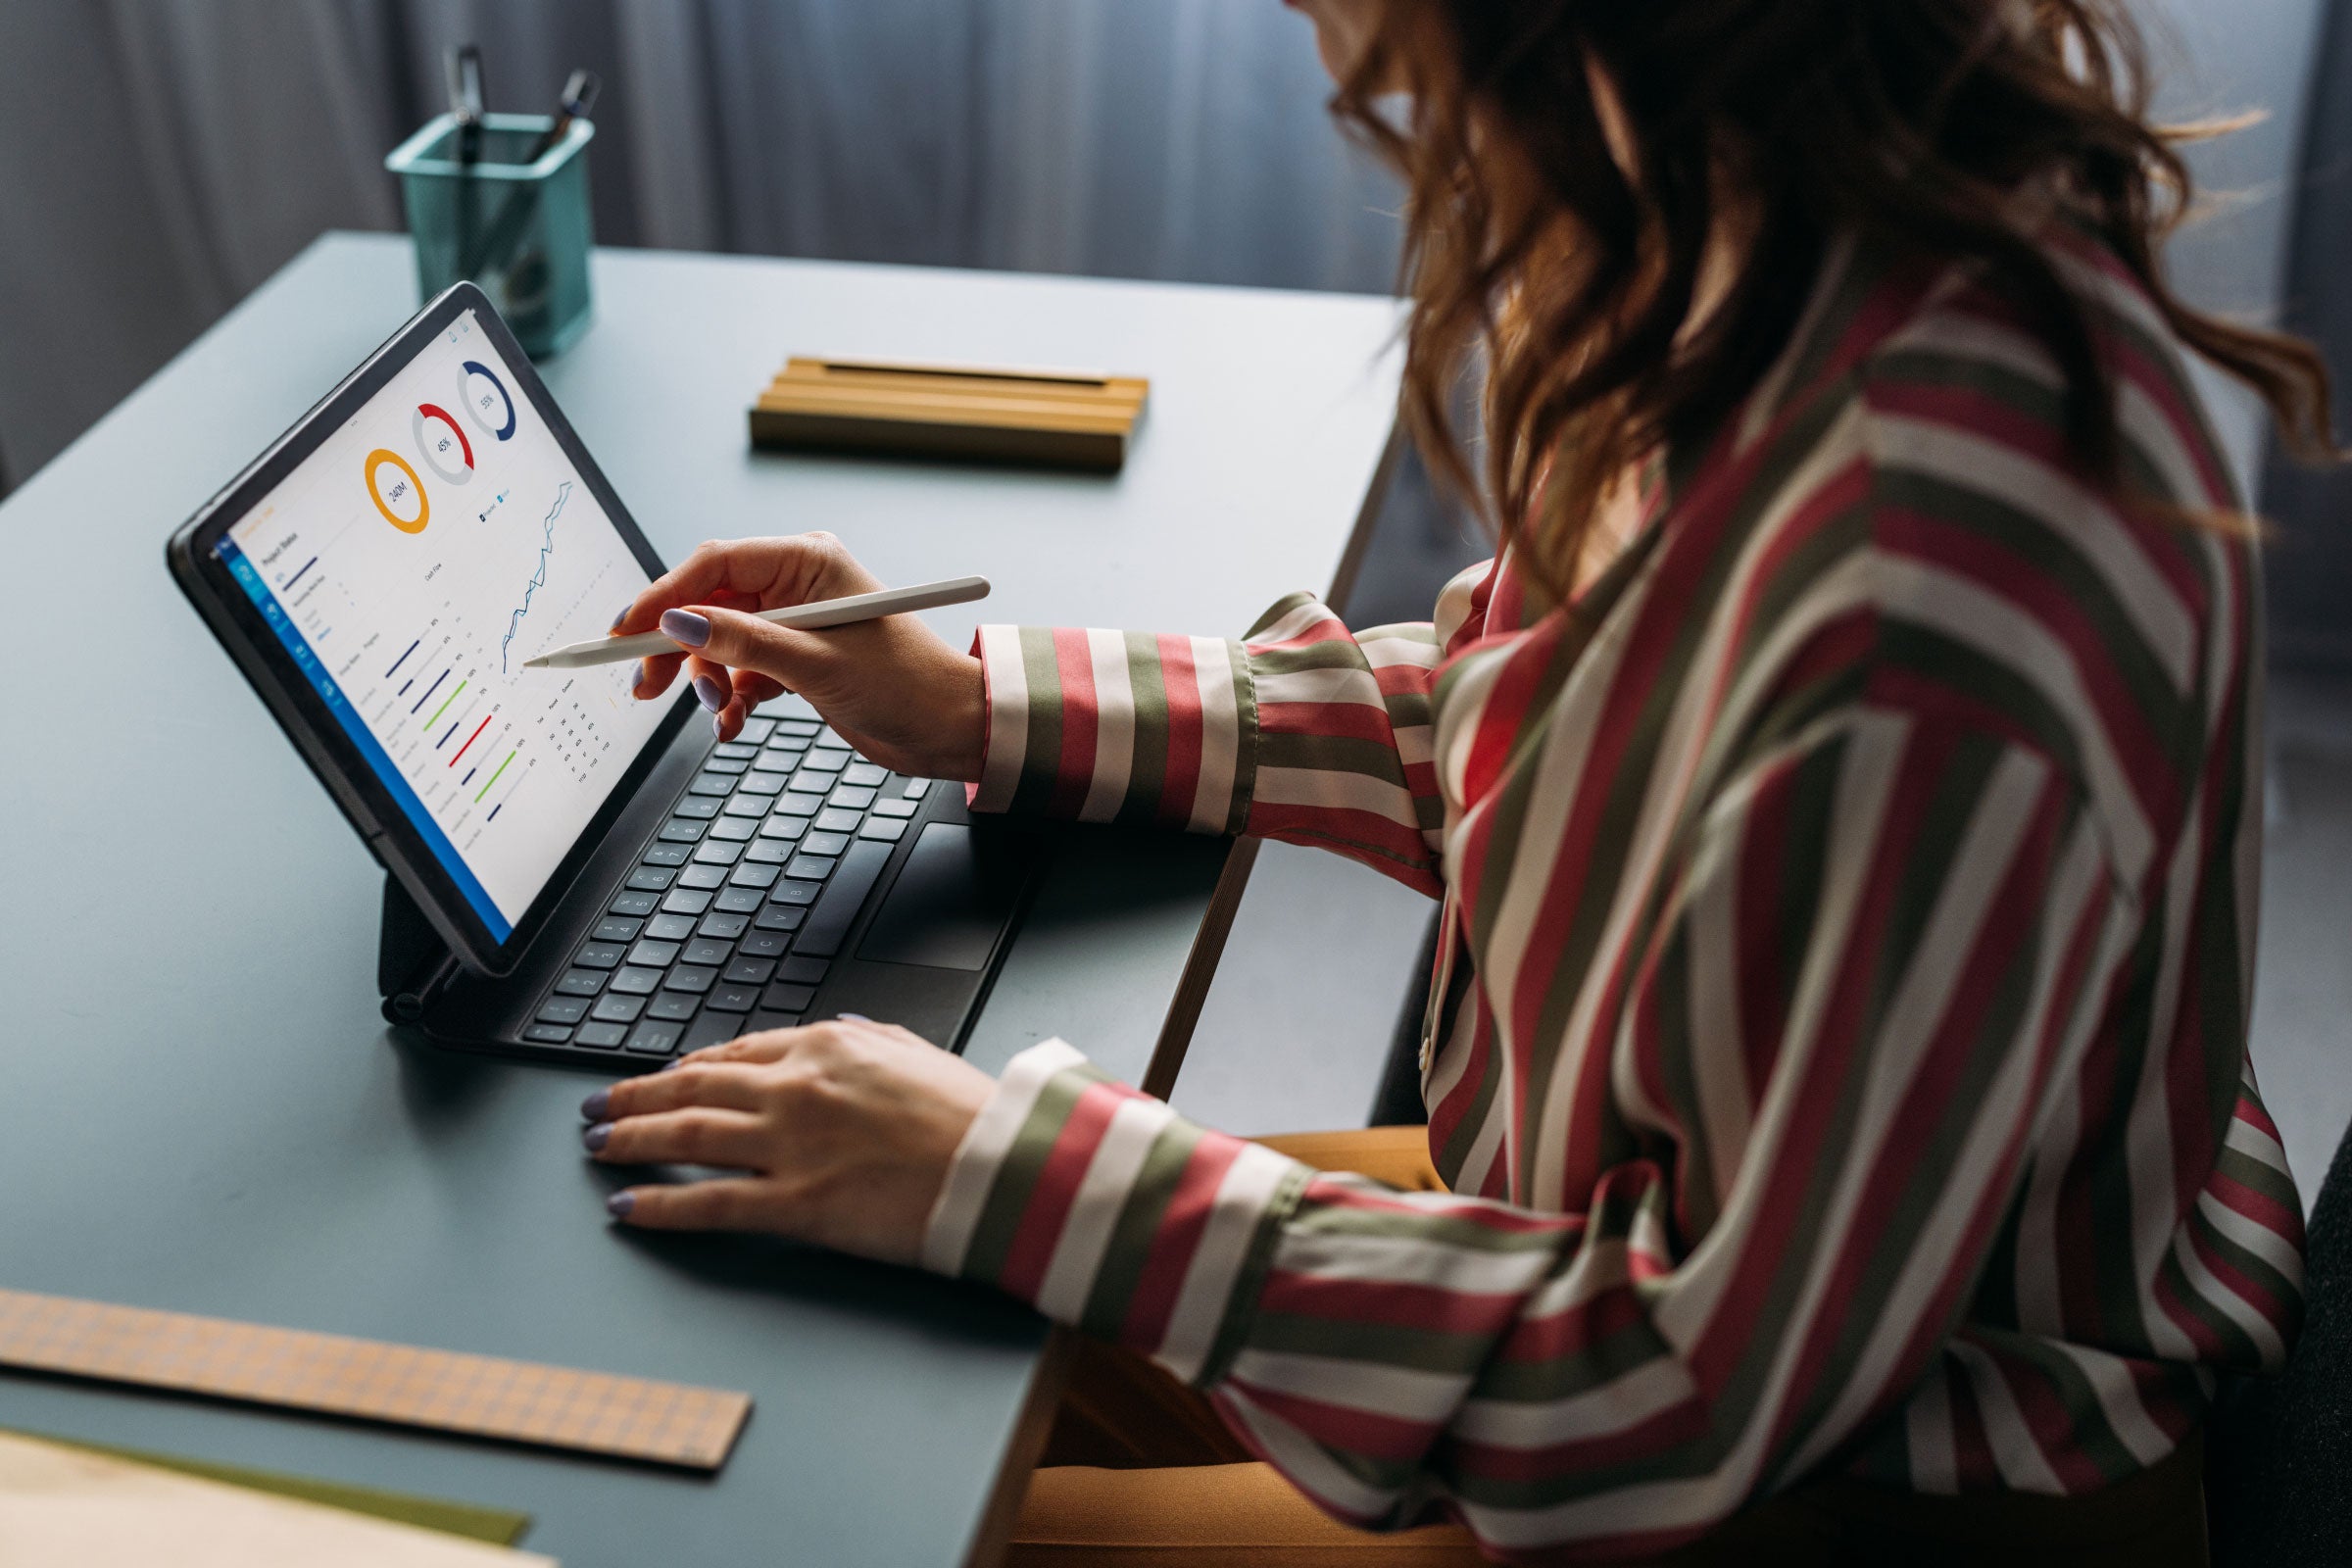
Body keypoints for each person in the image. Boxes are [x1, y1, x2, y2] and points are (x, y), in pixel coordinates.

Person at [575, 1, 2332, 1560]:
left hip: (1856, 1476)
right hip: (1645, 1270)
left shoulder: (1914, 599)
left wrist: (1015, 1177)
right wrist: (977, 703)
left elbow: (1683, 1390)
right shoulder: (1757, 245)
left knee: (866, 1510)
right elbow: (1520, 722)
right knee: (847, 1340)